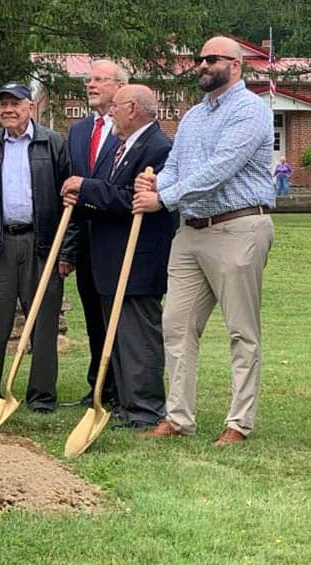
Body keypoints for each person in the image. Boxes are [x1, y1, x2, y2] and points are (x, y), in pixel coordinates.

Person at [133, 36, 275, 446]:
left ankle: (239, 423)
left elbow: (220, 168)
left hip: (239, 228)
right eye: (199, 59)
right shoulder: (193, 116)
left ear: (237, 66)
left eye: (212, 59)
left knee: (241, 331)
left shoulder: (251, 111)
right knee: (176, 326)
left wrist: (163, 197)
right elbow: (176, 166)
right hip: (191, 232)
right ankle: (178, 418)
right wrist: (156, 185)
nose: (202, 64)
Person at [62, 85, 174, 428]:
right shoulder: (120, 146)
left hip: (138, 258)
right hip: (109, 258)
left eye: (116, 106)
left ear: (134, 109)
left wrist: (87, 188)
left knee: (138, 335)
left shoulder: (157, 147)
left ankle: (146, 408)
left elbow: (133, 199)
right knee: (118, 335)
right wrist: (82, 195)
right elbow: (107, 190)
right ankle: (127, 404)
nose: (109, 112)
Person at [0, 82, 74, 412]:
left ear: (30, 107)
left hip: (41, 244)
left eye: (15, 104)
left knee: (42, 321)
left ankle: (41, 398)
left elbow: (70, 199)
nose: (8, 110)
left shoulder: (53, 144)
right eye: (3, 105)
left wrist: (66, 250)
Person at [64, 59, 127, 408]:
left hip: (115, 237)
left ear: (119, 86)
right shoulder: (77, 131)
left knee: (113, 314)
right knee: (91, 316)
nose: (91, 85)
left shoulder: (129, 131)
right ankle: (98, 386)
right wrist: (68, 250)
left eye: (100, 79)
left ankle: (120, 387)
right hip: (85, 238)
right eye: (89, 80)